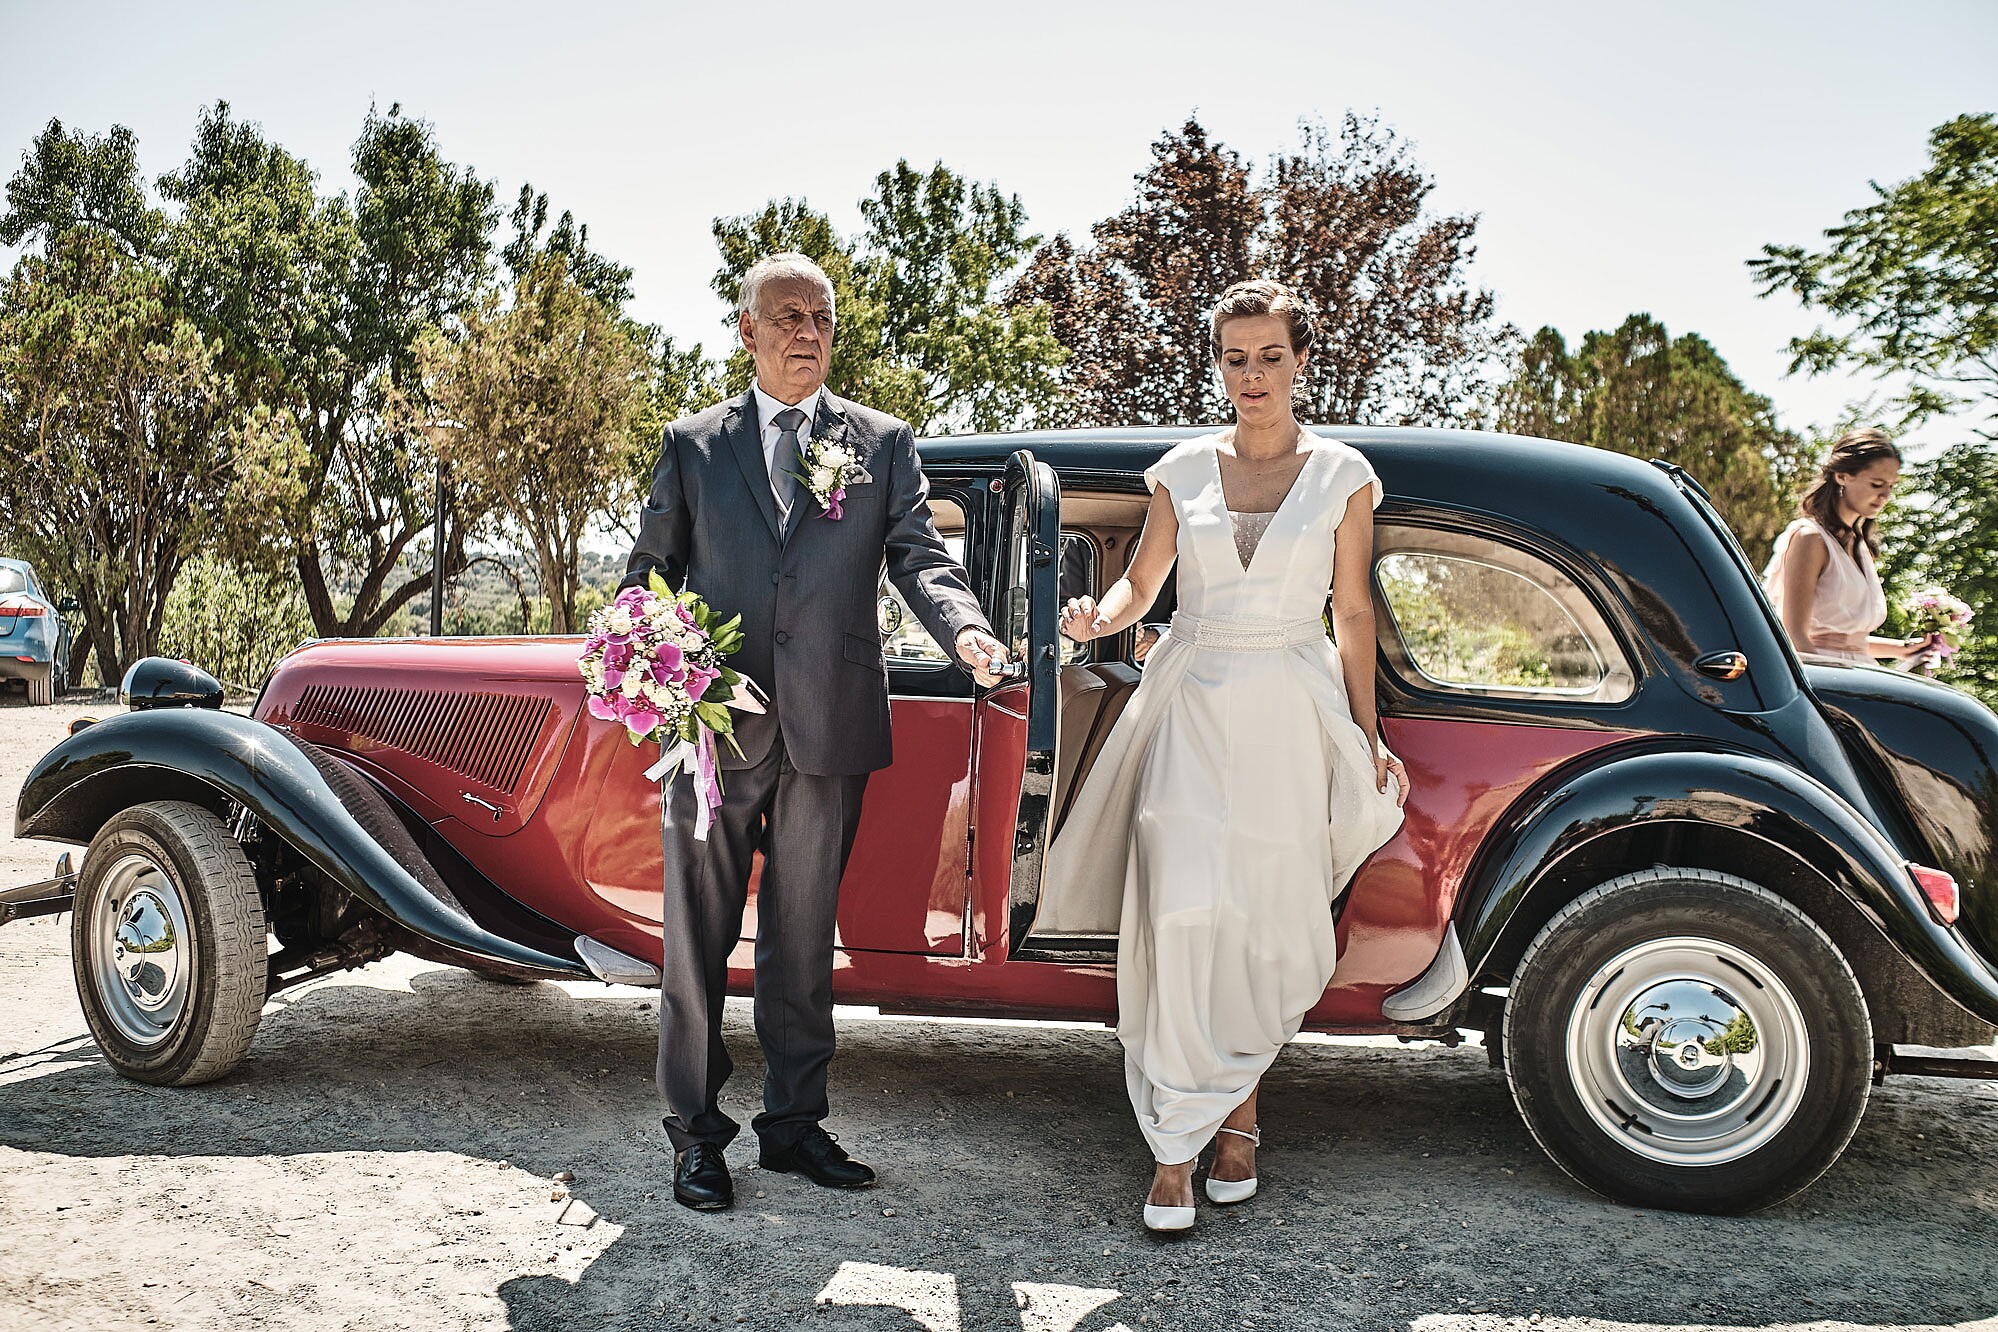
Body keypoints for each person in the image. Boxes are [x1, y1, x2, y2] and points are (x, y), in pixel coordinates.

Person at [622, 253, 1009, 1211]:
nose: (808, 331)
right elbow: (648, 580)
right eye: (788, 315)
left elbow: (921, 556)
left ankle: (793, 1128)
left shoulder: (881, 442)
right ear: (747, 330)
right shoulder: (692, 445)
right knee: (696, 938)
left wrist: (964, 629)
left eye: (822, 317)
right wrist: (658, 665)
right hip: (714, 731)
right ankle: (695, 1136)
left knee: (803, 938)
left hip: (830, 726)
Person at [1046, 279, 1407, 1232]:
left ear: (1300, 361)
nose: (1253, 376)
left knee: (1260, 917)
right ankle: (1174, 1146)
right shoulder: (1181, 470)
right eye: (1236, 358)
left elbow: (1353, 614)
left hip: (1290, 706)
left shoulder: (1343, 474)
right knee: (1180, 909)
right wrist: (1095, 619)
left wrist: (1366, 736)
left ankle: (1239, 1117)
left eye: (1270, 357)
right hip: (1190, 701)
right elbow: (1141, 587)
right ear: (1218, 365)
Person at [1762, 428, 1932, 667]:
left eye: (1891, 486)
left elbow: (1848, 642)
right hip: (1822, 674)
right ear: (1841, 476)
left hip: (1859, 671)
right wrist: (1826, 685)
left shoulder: (1858, 544)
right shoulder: (1810, 538)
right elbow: (1795, 635)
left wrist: (1903, 648)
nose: (1885, 495)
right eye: (1876, 484)